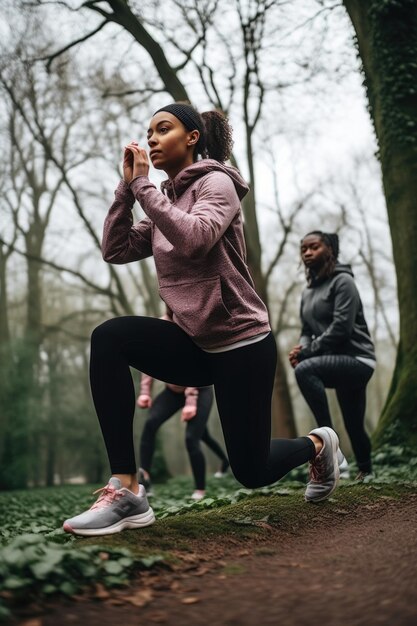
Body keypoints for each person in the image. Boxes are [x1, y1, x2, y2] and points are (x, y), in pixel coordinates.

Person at [63, 102, 342, 536]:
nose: (151, 138)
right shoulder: (161, 200)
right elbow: (115, 249)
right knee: (110, 338)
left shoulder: (218, 184)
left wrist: (144, 189)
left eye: (163, 129)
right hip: (194, 345)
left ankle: (319, 443)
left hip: (242, 345)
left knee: (251, 469)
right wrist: (126, 190)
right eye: (148, 131)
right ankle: (127, 488)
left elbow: (194, 239)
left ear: (192, 137)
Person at [288, 231, 376, 482]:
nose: (307, 253)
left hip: (358, 359)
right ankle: (366, 471)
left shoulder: (343, 282)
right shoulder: (307, 293)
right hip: (334, 361)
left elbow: (341, 328)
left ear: (330, 250)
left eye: (314, 247)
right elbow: (306, 330)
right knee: (353, 422)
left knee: (305, 370)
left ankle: (330, 449)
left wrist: (307, 353)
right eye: (303, 249)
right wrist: (301, 349)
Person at [137, 368, 229, 500]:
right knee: (150, 423)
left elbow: (192, 365)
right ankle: (144, 480)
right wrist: (144, 392)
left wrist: (191, 401)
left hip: (199, 389)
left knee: (192, 438)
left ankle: (200, 490)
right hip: (173, 391)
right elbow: (147, 366)